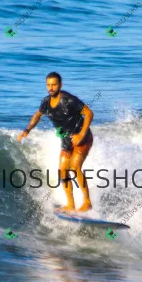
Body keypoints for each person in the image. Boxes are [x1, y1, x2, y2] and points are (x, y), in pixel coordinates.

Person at [17, 72, 95, 213]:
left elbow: (89, 113)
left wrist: (81, 134)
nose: (51, 88)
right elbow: (37, 115)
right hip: (66, 141)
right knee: (63, 171)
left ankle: (87, 202)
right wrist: (27, 130)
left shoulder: (69, 100)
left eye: (54, 84)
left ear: (60, 85)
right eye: (48, 85)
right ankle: (70, 205)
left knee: (75, 167)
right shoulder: (46, 102)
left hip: (82, 138)